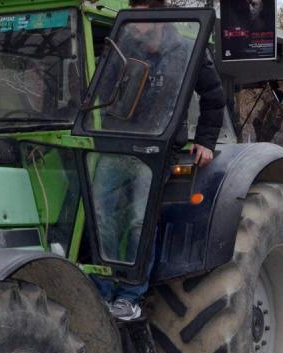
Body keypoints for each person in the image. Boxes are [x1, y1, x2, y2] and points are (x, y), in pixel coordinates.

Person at [91, 0, 226, 320]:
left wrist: (205, 143)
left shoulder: (187, 52)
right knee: (101, 215)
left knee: (140, 219)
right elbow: (102, 92)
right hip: (120, 145)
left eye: (139, 16)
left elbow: (214, 98)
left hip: (157, 151)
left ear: (156, 16)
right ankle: (101, 289)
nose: (133, 24)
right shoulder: (124, 47)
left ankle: (130, 295)